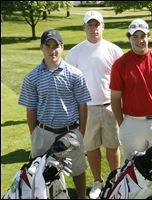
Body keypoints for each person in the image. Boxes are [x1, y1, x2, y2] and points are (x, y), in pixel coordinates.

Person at [18, 29, 91, 199]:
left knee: (78, 170)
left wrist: (81, 133)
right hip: (44, 133)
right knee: (41, 174)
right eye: (48, 46)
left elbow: (83, 106)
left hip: (71, 132)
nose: (53, 50)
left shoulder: (75, 74)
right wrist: (35, 133)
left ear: (62, 47)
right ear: (42, 48)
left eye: (56, 46)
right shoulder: (32, 77)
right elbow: (30, 109)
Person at [109, 18, 152, 199]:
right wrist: (123, 123)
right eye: (135, 36)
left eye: (143, 36)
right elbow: (115, 98)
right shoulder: (120, 64)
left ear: (149, 36)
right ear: (129, 38)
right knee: (133, 166)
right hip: (132, 123)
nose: (140, 40)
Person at [65, 10, 123, 199]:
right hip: (86, 108)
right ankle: (98, 181)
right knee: (91, 147)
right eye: (89, 24)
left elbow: (122, 82)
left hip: (109, 106)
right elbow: (69, 84)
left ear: (103, 26)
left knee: (112, 145)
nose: (93, 28)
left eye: (96, 24)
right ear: (84, 28)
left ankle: (114, 180)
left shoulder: (114, 50)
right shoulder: (75, 52)